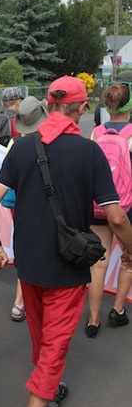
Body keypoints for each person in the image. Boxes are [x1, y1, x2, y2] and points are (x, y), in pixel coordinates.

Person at [0, 75, 132, 407]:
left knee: (40, 336)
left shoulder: (22, 147)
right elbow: (115, 215)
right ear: (81, 109)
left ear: (48, 106)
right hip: (67, 269)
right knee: (54, 350)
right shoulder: (89, 152)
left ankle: (48, 389)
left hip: (28, 265)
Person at [86, 82, 132, 337]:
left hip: (99, 205)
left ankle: (93, 320)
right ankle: (118, 309)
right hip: (127, 207)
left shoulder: (96, 132)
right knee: (130, 258)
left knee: (98, 264)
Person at [10, 96, 48, 322]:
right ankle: (32, 301)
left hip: (19, 205)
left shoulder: (15, 145)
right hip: (42, 205)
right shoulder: (49, 143)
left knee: (25, 251)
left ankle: (19, 302)